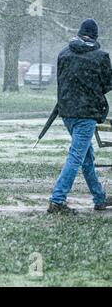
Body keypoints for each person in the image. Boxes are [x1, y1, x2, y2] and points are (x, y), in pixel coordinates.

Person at [49, 18, 112, 214]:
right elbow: (108, 84)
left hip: (67, 113)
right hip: (87, 114)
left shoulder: (64, 54)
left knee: (86, 157)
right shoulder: (100, 57)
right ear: (95, 35)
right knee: (76, 156)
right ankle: (57, 200)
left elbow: (61, 82)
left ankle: (99, 197)